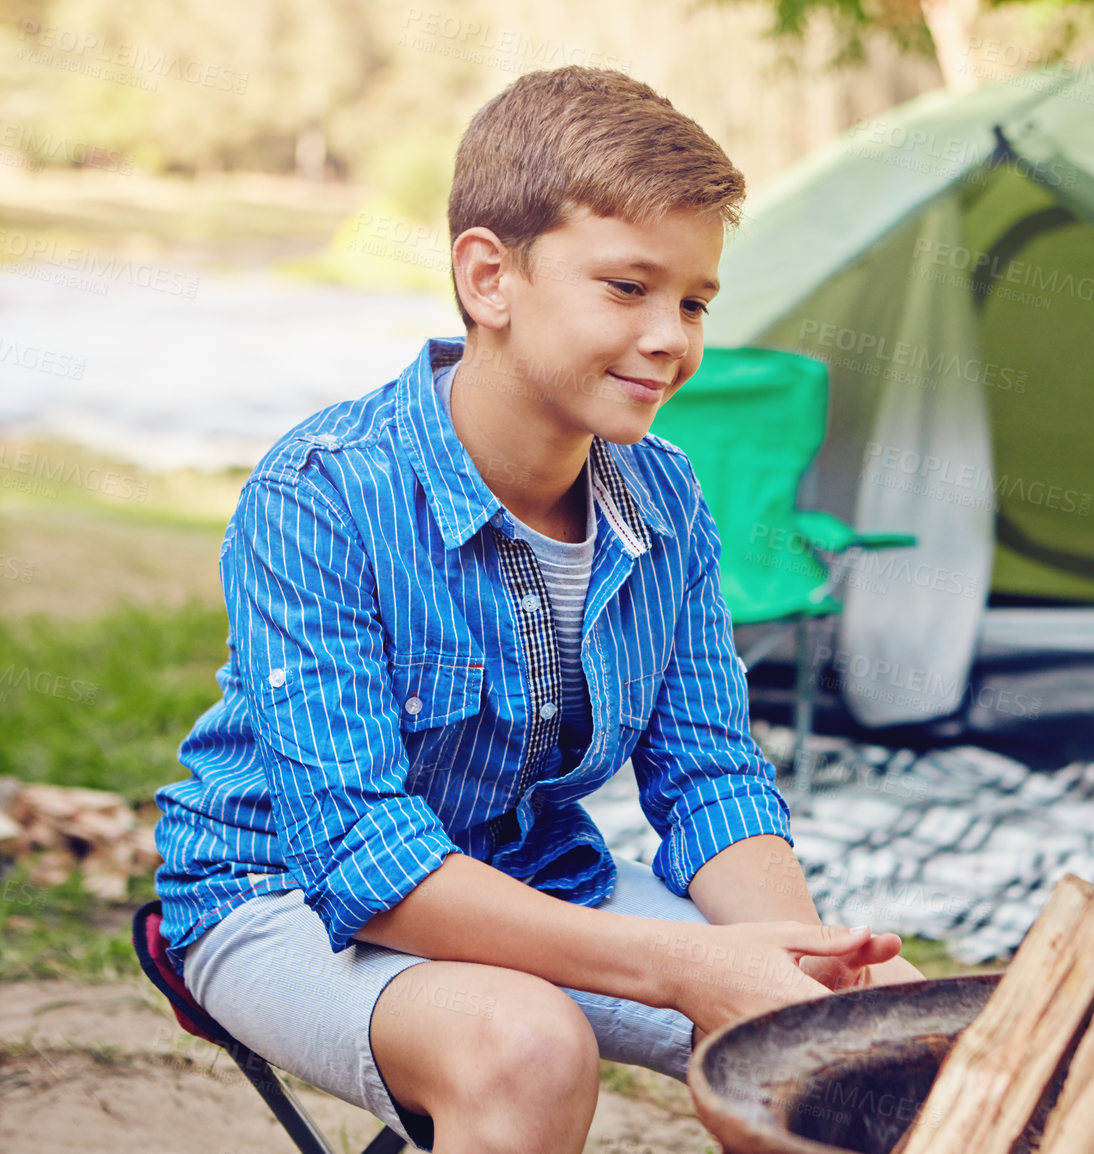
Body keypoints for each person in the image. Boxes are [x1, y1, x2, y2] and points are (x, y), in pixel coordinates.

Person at [152, 66, 922, 1154]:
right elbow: (361, 856)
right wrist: (687, 965)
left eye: (695, 300)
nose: (672, 337)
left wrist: (802, 965)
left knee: (877, 1033)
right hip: (282, 892)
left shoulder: (665, 497)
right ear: (488, 277)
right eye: (627, 288)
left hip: (532, 874)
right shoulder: (323, 491)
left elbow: (710, 774)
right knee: (526, 1045)